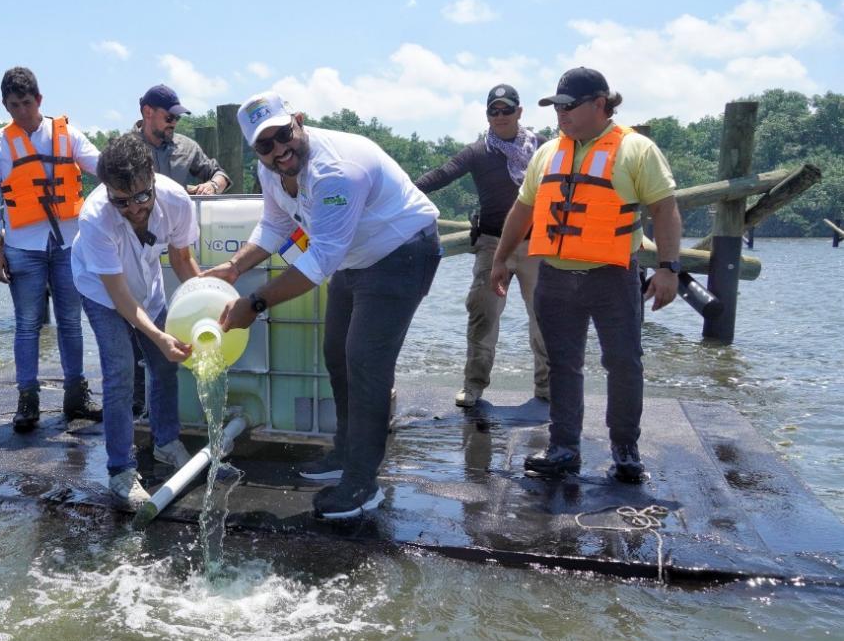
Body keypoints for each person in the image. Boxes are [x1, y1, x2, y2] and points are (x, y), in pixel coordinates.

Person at [210, 92, 443, 519]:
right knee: (337, 355)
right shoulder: (272, 171)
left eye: (284, 135)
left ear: (298, 121)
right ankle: (345, 454)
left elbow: (318, 260)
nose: (280, 150)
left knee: (365, 363)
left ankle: (361, 483)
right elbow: (275, 224)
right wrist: (232, 267)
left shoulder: (336, 171)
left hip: (403, 251)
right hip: (355, 256)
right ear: (254, 150)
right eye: (265, 145)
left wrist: (255, 302)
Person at [490, 67, 683, 483]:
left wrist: (669, 269)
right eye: (556, 107)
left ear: (600, 104)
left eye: (569, 107)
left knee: (624, 363)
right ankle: (563, 449)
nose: (561, 115)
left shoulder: (637, 149)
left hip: (612, 276)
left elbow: (665, 209)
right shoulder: (547, 153)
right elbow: (523, 209)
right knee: (562, 363)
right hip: (555, 277)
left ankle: (625, 450)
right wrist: (501, 257)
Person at [71, 134, 201, 507]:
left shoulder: (176, 201)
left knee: (164, 366)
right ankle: (120, 470)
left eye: (143, 196)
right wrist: (158, 335)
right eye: (121, 200)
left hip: (147, 289)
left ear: (153, 176)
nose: (134, 208)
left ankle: (166, 443)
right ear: (106, 189)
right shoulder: (95, 217)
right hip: (102, 293)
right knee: (120, 372)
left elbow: (181, 261)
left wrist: (212, 303)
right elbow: (119, 297)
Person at [0, 67, 102, 433]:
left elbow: (102, 167)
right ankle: (28, 400)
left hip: (68, 244)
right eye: (13, 105)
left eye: (27, 103)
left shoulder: (68, 135)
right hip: (22, 247)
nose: (21, 111)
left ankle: (76, 397)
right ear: (4, 105)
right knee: (27, 325)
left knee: (70, 322)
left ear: (40, 100)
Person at [415, 84, 549, 407]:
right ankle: (473, 386)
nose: (500, 116)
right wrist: (399, 190)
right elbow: (442, 175)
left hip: (538, 245)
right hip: (491, 244)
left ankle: (547, 389)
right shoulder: (478, 152)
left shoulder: (545, 148)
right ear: (487, 115)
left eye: (507, 110)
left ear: (520, 112)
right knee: (482, 316)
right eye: (494, 111)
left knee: (545, 319)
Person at [128, 84, 232, 417]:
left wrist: (211, 186)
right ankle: (136, 399)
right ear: (147, 113)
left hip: (177, 243)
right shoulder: (125, 149)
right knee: (134, 324)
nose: (175, 123)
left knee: (173, 322)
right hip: (135, 247)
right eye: (169, 116)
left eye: (178, 117)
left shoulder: (188, 148)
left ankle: (174, 400)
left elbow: (221, 174)